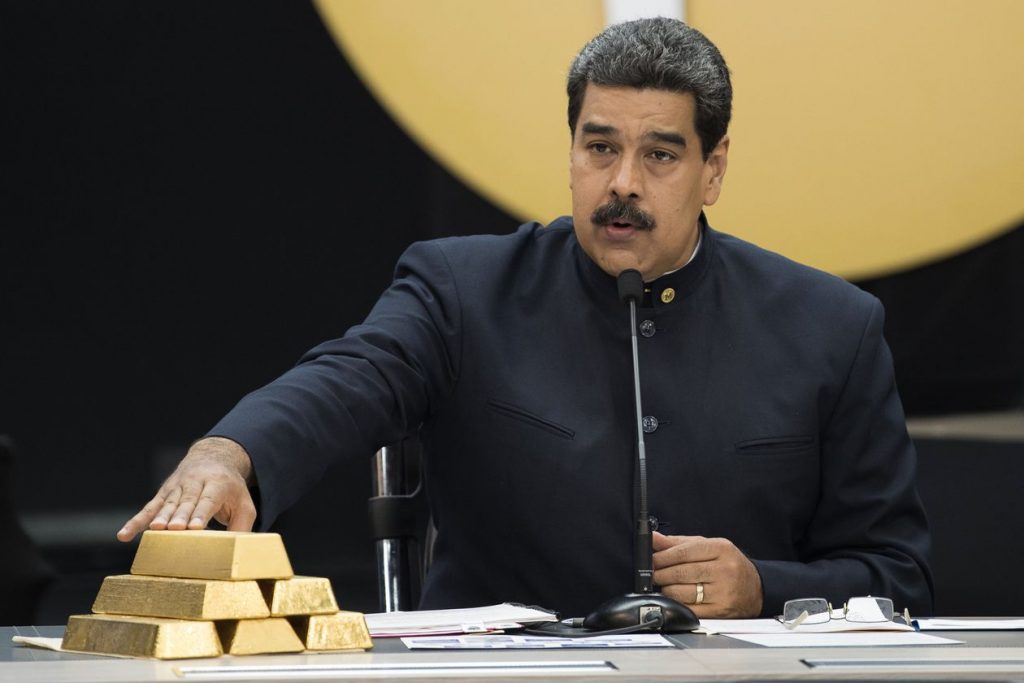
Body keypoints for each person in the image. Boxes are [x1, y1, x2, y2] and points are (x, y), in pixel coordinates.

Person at [118, 17, 933, 619]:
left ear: (712, 169)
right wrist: (231, 453)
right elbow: (347, 378)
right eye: (599, 147)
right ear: (571, 149)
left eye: (659, 154)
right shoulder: (465, 291)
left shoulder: (832, 327)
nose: (623, 183)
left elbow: (900, 578)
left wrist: (764, 587)